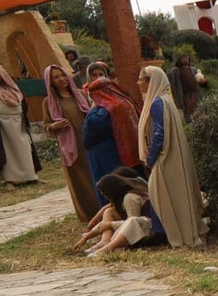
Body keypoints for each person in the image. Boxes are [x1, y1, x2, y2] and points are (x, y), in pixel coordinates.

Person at [136, 66, 206, 248]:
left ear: (151, 82)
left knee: (162, 196)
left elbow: (160, 134)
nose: (138, 83)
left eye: (141, 79)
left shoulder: (158, 103)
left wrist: (151, 159)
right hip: (171, 156)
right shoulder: (166, 100)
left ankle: (175, 235)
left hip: (165, 158)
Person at [43, 64, 99, 221]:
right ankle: (88, 213)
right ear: (50, 81)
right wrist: (54, 126)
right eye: (56, 77)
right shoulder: (49, 102)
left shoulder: (80, 94)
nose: (61, 79)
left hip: (87, 140)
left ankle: (104, 208)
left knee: (94, 174)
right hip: (70, 145)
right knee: (80, 179)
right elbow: (46, 126)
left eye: (62, 75)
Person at [83, 61, 142, 169]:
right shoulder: (84, 93)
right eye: (94, 75)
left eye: (101, 74)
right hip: (101, 146)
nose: (98, 78)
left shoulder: (114, 95)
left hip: (112, 145)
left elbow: (95, 122)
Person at [172, 54, 205, 121]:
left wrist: (203, 82)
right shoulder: (175, 71)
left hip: (195, 94)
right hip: (185, 95)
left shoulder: (193, 69)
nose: (186, 59)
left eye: (187, 58)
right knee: (188, 114)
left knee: (198, 112)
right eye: (184, 58)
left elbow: (202, 83)